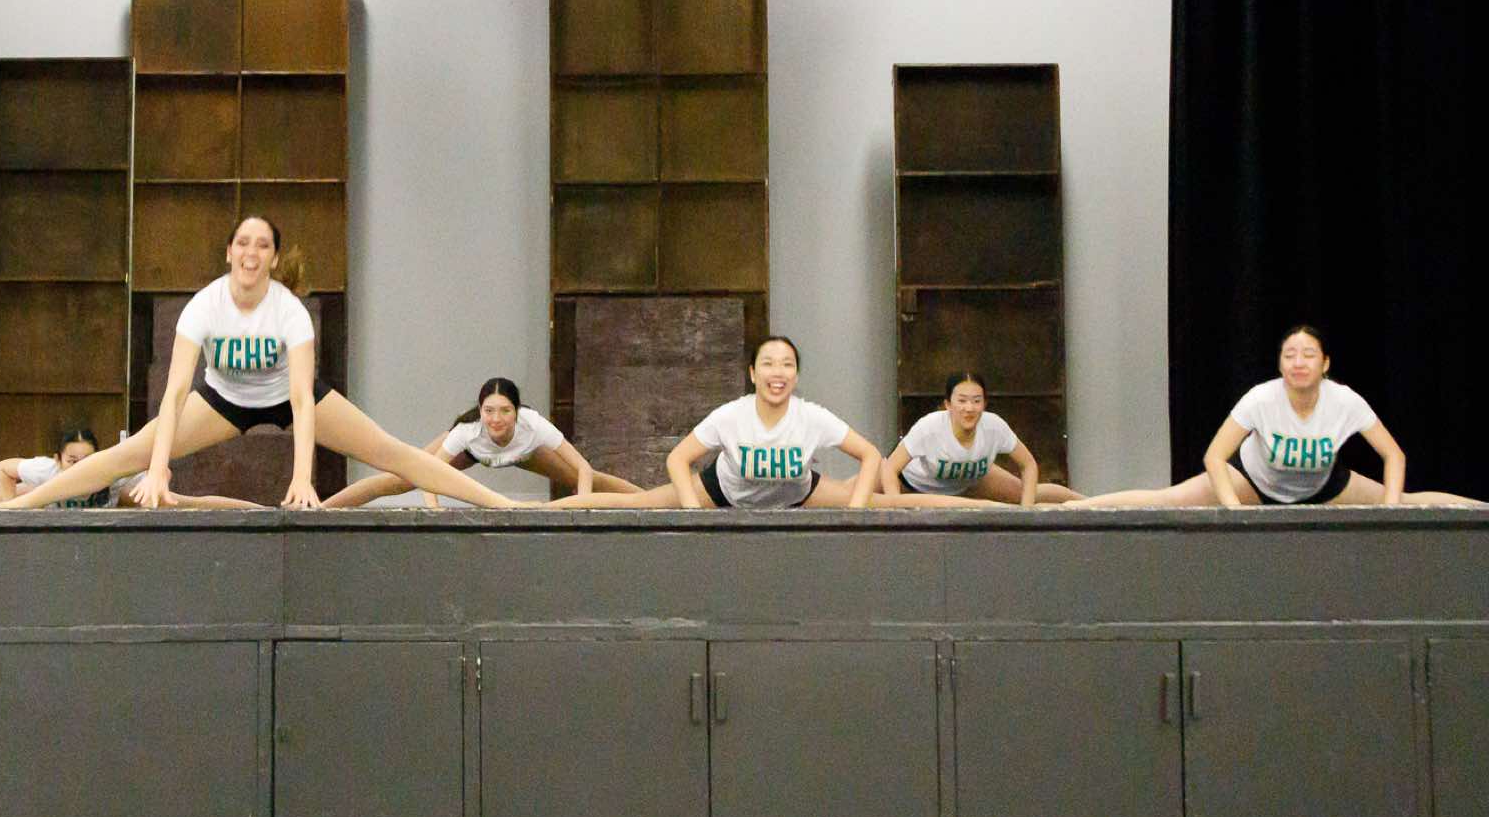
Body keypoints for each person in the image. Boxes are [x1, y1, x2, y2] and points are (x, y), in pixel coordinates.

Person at [0, 216, 530, 511]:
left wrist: (302, 479)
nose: (251, 253)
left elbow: (301, 397)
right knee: (128, 453)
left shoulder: (289, 311)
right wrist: (158, 467)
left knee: (392, 452)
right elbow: (176, 391)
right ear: (229, 252)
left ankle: (501, 507)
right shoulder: (205, 305)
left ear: (273, 258)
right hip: (222, 400)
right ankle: (20, 506)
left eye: (262, 245)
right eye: (243, 243)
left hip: (287, 397)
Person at [1068, 324, 1482, 508]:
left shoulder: (1345, 401)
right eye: (1290, 355)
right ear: (1281, 363)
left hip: (1324, 484)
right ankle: (1071, 510)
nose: (1298, 362)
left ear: (1325, 364)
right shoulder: (1261, 399)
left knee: (1410, 503)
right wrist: (1233, 510)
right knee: (1167, 500)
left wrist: (1388, 513)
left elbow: (1394, 456)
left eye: (1308, 355)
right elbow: (1215, 457)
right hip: (1253, 481)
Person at [551, 335, 883, 509]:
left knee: (882, 502)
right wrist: (693, 513)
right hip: (725, 490)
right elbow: (678, 458)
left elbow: (870, 454)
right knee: (639, 502)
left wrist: (853, 516)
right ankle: (541, 509)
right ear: (753, 374)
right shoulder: (731, 415)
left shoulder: (812, 417)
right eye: (768, 364)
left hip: (795, 492)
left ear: (795, 376)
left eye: (787, 365)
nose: (778, 372)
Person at [322, 376, 643, 508]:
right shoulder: (468, 430)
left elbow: (583, 468)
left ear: (517, 412)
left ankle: (654, 500)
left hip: (524, 453)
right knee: (398, 478)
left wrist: (583, 505)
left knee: (594, 479)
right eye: (489, 411)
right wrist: (434, 511)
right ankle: (325, 508)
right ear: (480, 411)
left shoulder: (533, 426)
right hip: (473, 453)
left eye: (505, 411)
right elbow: (428, 474)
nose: (496, 419)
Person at [877, 372, 1082, 507]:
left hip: (967, 481)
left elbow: (1028, 464)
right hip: (912, 484)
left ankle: (1091, 503)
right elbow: (891, 468)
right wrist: (897, 509)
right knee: (862, 496)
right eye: (962, 401)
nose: (969, 408)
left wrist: (1027, 512)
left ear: (984, 404)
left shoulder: (994, 426)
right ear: (948, 404)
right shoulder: (929, 427)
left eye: (976, 401)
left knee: (1027, 492)